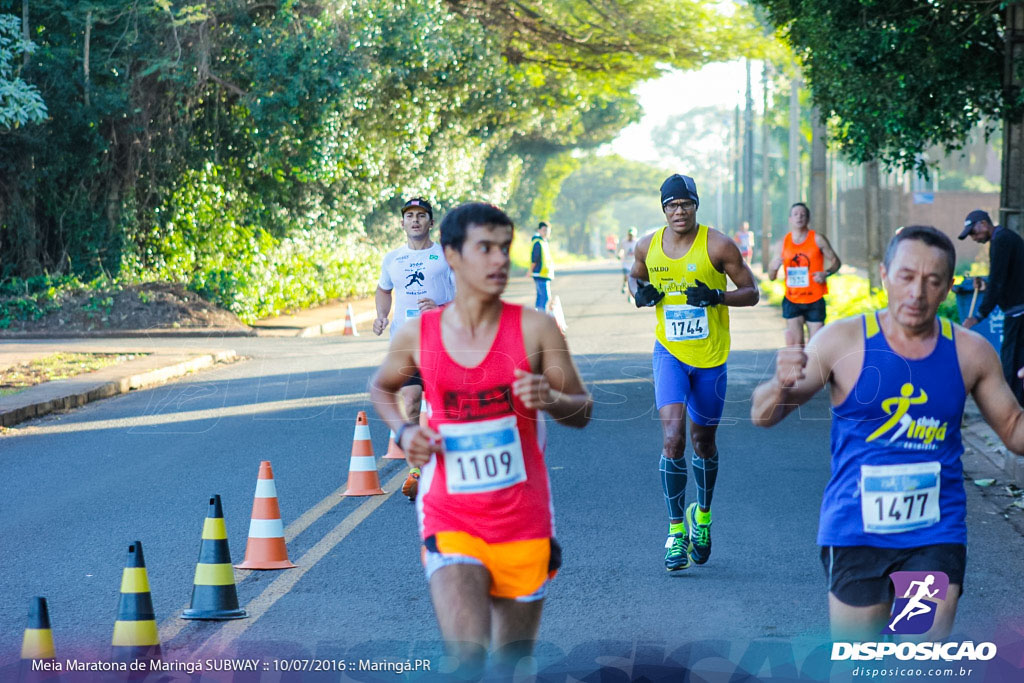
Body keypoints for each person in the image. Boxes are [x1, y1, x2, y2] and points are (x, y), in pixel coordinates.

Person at [751, 225, 1024, 641]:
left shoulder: (970, 352)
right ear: (884, 275)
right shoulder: (841, 340)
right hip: (855, 528)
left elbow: (1014, 431)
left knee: (919, 661)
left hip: (933, 533)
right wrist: (779, 385)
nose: (917, 293)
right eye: (906, 276)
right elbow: (763, 416)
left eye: (933, 281)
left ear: (949, 286)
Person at [369, 202, 592, 677]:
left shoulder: (536, 328)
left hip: (523, 521)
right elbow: (382, 388)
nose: (499, 261)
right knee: (467, 659)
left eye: (503, 248)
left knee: (510, 666)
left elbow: (582, 409)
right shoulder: (417, 335)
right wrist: (405, 431)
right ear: (451, 255)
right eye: (484, 248)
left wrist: (550, 397)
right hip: (452, 516)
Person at [629, 173, 759, 571]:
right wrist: (640, 294)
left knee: (703, 442)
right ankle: (674, 533)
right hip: (669, 352)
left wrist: (717, 295)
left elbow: (752, 291)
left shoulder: (718, 245)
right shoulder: (647, 245)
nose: (679, 210)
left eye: (685, 203)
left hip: (710, 357)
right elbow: (635, 278)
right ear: (664, 209)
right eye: (671, 205)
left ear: (695, 206)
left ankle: (701, 516)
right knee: (672, 439)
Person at [372, 197, 456, 500]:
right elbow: (384, 289)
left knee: (445, 406)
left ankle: (451, 465)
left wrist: (441, 306)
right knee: (410, 399)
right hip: (405, 343)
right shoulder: (393, 258)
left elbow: (466, 298)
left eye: (421, 215)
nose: (415, 220)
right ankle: (416, 469)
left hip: (441, 341)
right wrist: (381, 314)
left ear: (431, 222)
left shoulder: (446, 256)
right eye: (410, 216)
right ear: (403, 223)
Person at [958, 209, 1024, 406]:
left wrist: (978, 316)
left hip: (1018, 311)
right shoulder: (1005, 238)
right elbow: (1005, 277)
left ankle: (1011, 409)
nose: (974, 238)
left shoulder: (1001, 241)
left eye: (974, 232)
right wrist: (986, 285)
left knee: (1011, 360)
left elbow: (998, 282)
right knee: (1016, 358)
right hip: (1017, 308)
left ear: (984, 224)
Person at [768, 202, 841, 347]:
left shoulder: (817, 239)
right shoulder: (783, 243)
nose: (799, 217)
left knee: (817, 346)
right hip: (792, 299)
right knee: (796, 345)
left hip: (814, 298)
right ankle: (800, 371)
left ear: (808, 219)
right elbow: (771, 277)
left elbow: (836, 261)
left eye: (803, 214)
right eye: (796, 214)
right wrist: (774, 268)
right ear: (790, 219)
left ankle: (814, 370)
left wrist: (826, 273)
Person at [531, 222, 554, 311]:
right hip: (540, 274)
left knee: (541, 297)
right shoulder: (538, 243)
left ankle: (539, 317)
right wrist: (530, 271)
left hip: (545, 274)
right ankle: (541, 318)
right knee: (544, 298)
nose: (546, 232)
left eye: (548, 231)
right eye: (544, 230)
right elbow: (534, 259)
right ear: (539, 230)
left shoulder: (544, 242)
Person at [618, 228, 638, 297]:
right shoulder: (624, 242)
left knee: (632, 280)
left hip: (633, 263)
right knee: (626, 276)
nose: (630, 236)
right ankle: (624, 284)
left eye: (632, 235)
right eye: (629, 235)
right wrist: (619, 255)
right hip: (626, 262)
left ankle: (630, 295)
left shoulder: (637, 242)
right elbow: (621, 250)